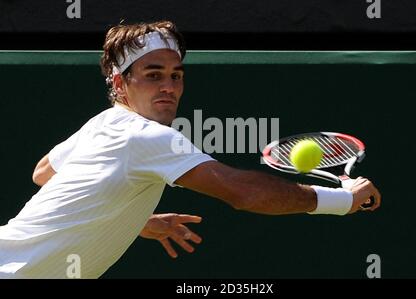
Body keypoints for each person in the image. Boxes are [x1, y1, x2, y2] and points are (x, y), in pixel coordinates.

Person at [0, 21, 381, 279]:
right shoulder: (147, 136)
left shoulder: (104, 124)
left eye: (175, 76)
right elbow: (243, 192)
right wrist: (341, 200)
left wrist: (125, 215)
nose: (168, 86)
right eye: (153, 75)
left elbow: (44, 172)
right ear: (120, 82)